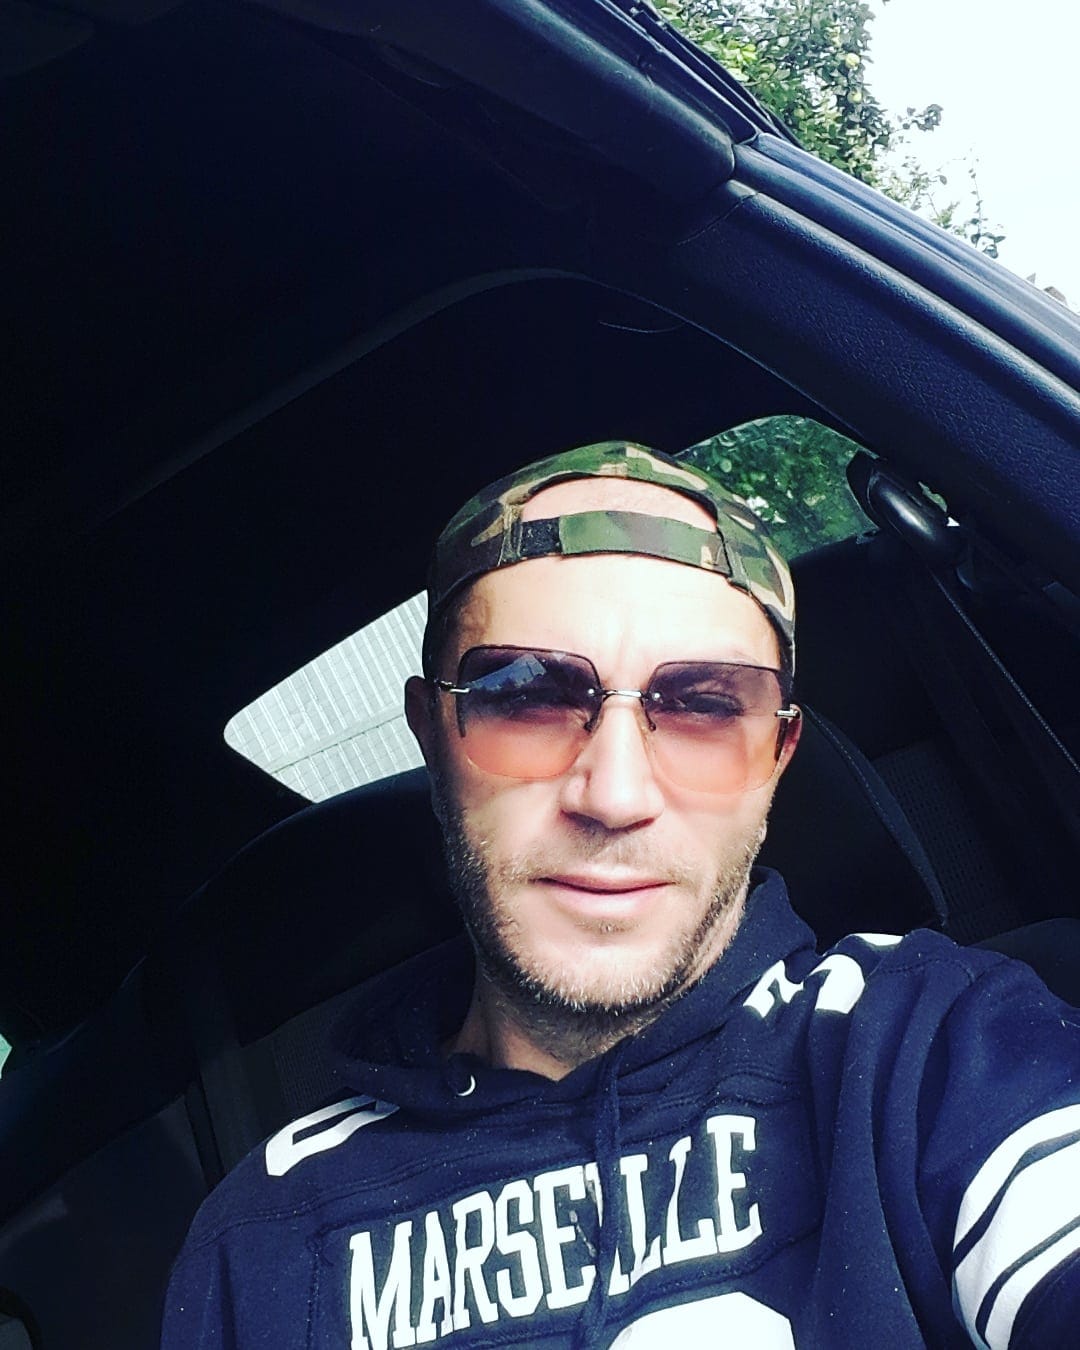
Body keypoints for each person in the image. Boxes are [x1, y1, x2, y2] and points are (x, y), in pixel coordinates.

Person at [162, 442, 1080, 1349]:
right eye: (525, 694)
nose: (615, 795)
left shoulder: (929, 1048)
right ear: (432, 733)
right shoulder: (266, 1243)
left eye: (705, 706)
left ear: (777, 756)